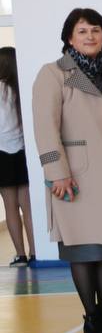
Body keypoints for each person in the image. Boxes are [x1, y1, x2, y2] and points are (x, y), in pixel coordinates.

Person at [33, 8, 102, 333]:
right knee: (83, 251)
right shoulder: (54, 74)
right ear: (69, 38)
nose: (90, 36)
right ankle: (92, 321)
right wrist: (56, 173)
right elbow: (45, 128)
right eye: (82, 31)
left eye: (96, 30)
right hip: (76, 177)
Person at [0, 47, 35, 266]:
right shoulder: (21, 88)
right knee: (27, 207)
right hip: (23, 152)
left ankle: (20, 255)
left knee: (10, 206)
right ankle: (35, 252)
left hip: (2, 154)